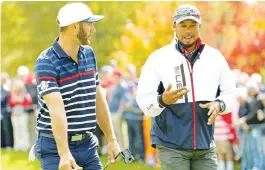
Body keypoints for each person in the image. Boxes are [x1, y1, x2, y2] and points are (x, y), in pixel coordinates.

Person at [136, 4, 235, 170]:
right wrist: (162, 101)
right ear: (174, 26)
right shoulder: (158, 58)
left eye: (192, 25)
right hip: (170, 145)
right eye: (183, 26)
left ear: (200, 25)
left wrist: (219, 104)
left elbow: (230, 93)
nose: (188, 31)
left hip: (205, 145)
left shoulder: (214, 57)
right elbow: (143, 98)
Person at [33, 3, 120, 170]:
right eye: (89, 24)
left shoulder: (89, 54)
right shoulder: (46, 61)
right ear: (74, 27)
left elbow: (98, 99)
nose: (93, 30)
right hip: (54, 147)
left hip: (87, 145)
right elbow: (56, 109)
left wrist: (111, 140)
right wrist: (64, 154)